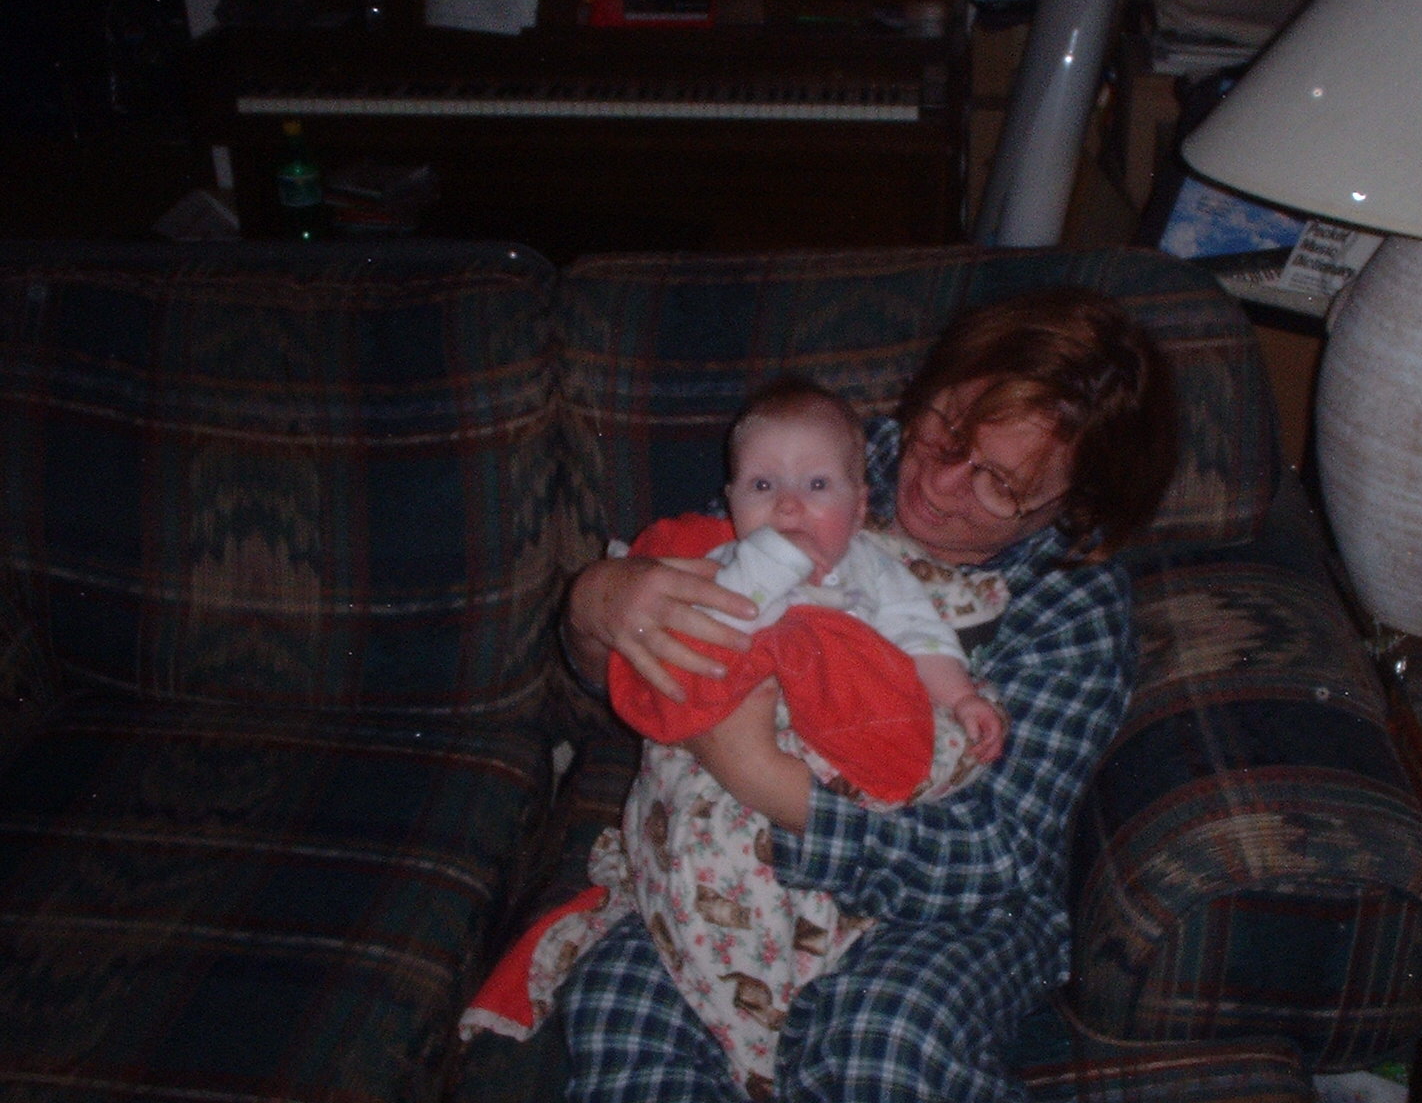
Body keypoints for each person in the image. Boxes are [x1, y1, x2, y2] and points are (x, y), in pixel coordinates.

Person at [558, 286, 1178, 1102]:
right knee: (622, 1015)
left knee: (879, 1048)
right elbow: (631, 659)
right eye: (946, 428)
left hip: (946, 899)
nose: (939, 484)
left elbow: (992, 856)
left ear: (1075, 505)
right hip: (724, 855)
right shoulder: (827, 458)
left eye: (999, 482)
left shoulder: (1074, 606)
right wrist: (596, 603)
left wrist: (763, 777)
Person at [461, 380, 1006, 1098]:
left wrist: (962, 697)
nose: (788, 507)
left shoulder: (878, 570)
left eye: (817, 486)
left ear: (859, 506)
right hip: (708, 778)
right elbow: (691, 637)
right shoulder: (716, 561)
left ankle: (780, 1009)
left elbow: (923, 638)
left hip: (822, 774)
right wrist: (759, 563)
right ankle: (745, 1033)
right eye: (762, 486)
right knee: (678, 911)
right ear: (732, 500)